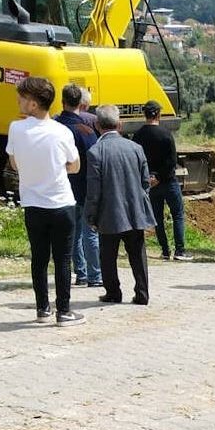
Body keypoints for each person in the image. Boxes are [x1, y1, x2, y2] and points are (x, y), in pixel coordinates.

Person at [6, 76, 86, 327]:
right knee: (63, 259)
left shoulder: (16, 129)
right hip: (61, 203)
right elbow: (74, 166)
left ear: (33, 104)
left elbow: (14, 163)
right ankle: (64, 311)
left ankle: (42, 309)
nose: (18, 100)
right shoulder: (61, 131)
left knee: (39, 258)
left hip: (33, 204)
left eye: (22, 97)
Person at [86, 105, 158, 304]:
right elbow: (145, 182)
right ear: (120, 124)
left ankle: (113, 292)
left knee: (107, 256)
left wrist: (91, 216)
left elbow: (94, 190)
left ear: (96, 125)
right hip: (135, 211)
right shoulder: (135, 148)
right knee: (137, 254)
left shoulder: (95, 152)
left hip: (109, 213)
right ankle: (142, 293)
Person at [55, 84, 103, 288]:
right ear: (81, 104)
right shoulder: (86, 130)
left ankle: (80, 273)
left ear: (62, 102)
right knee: (89, 232)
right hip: (84, 188)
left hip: (61, 189)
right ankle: (95, 275)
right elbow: (95, 161)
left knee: (71, 234)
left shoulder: (55, 127)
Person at [133, 101, 191, 261]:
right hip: (168, 181)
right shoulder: (166, 134)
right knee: (177, 214)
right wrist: (160, 176)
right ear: (158, 114)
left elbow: (137, 160)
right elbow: (172, 160)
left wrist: (150, 177)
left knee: (157, 217)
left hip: (150, 183)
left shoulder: (138, 135)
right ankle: (180, 250)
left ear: (144, 114)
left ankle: (165, 250)